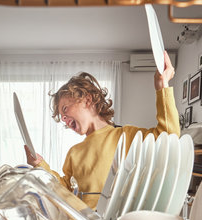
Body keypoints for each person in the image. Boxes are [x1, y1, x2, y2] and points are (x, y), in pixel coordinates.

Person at [25, 51, 180, 210]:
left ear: (87, 99)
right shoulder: (74, 153)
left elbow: (168, 138)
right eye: (61, 117)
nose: (63, 119)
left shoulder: (125, 136)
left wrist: (162, 87)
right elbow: (63, 191)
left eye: (65, 109)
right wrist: (40, 165)